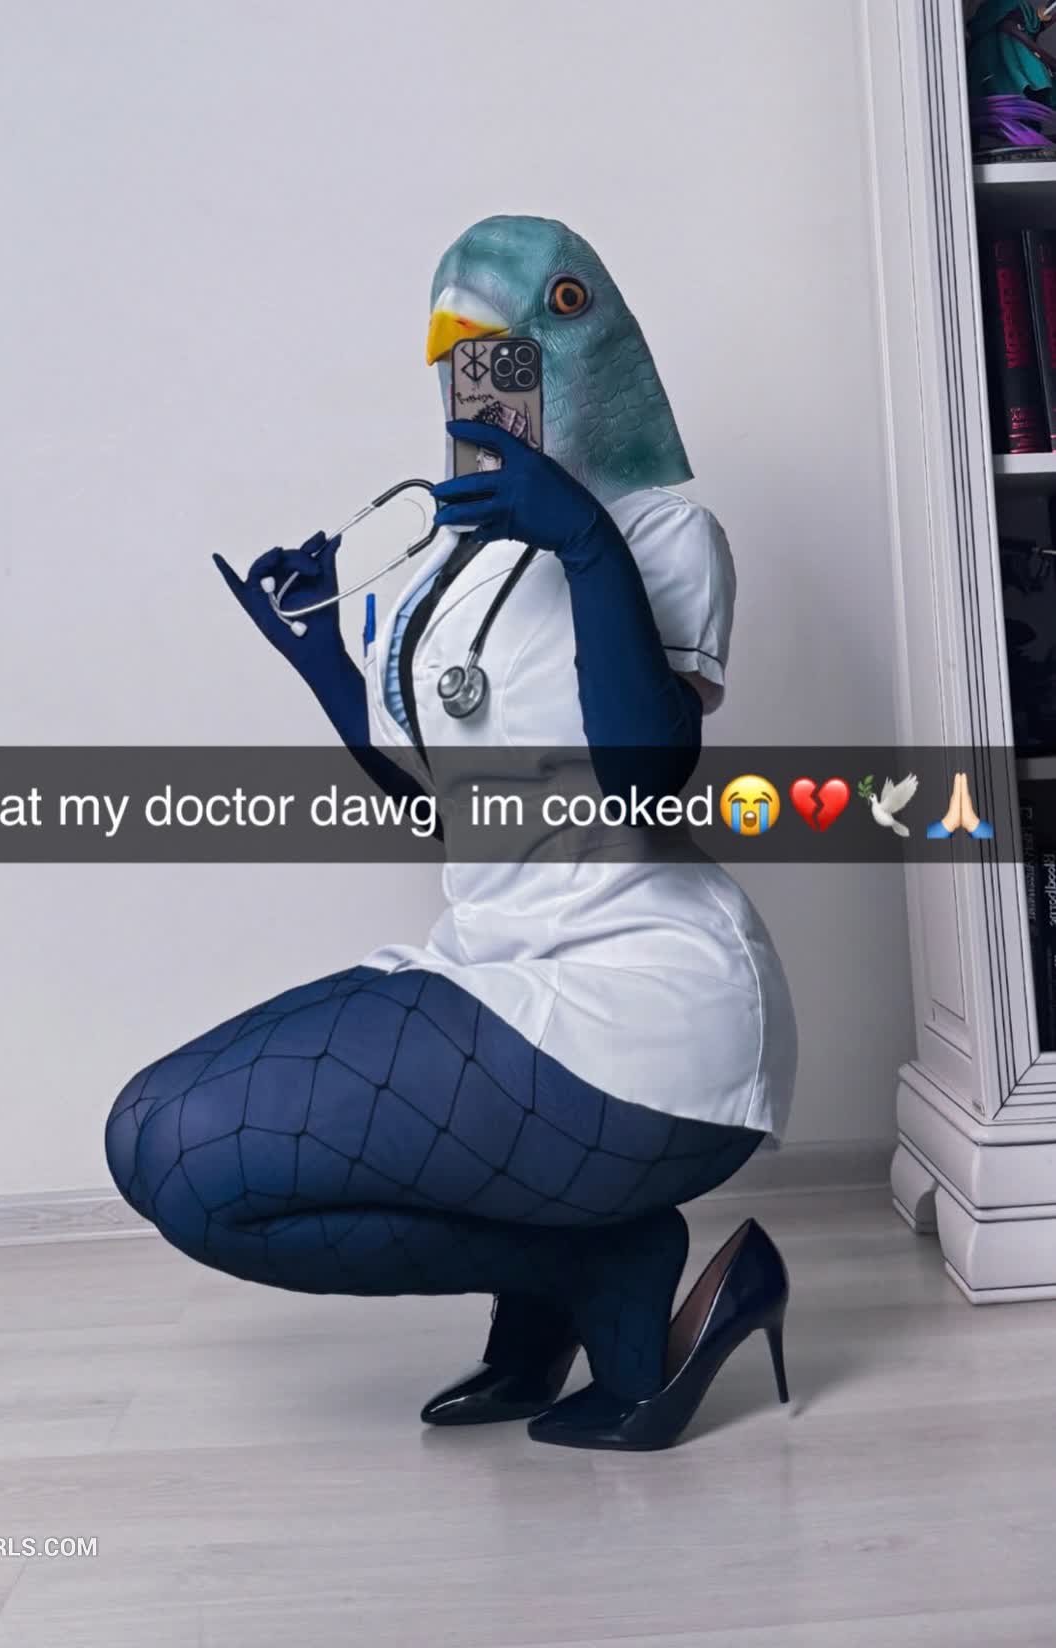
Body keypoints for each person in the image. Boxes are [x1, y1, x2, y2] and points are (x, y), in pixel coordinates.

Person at [106, 215, 798, 1450]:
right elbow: (454, 812)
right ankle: (588, 1267)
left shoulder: (661, 533)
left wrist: (580, 537)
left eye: (524, 327)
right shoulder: (447, 564)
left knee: (188, 1144)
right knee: (159, 1146)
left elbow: (646, 781)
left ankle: (593, 1273)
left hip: (647, 1001)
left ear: (591, 343)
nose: (475, 357)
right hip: (491, 964)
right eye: (459, 338)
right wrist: (325, 663)